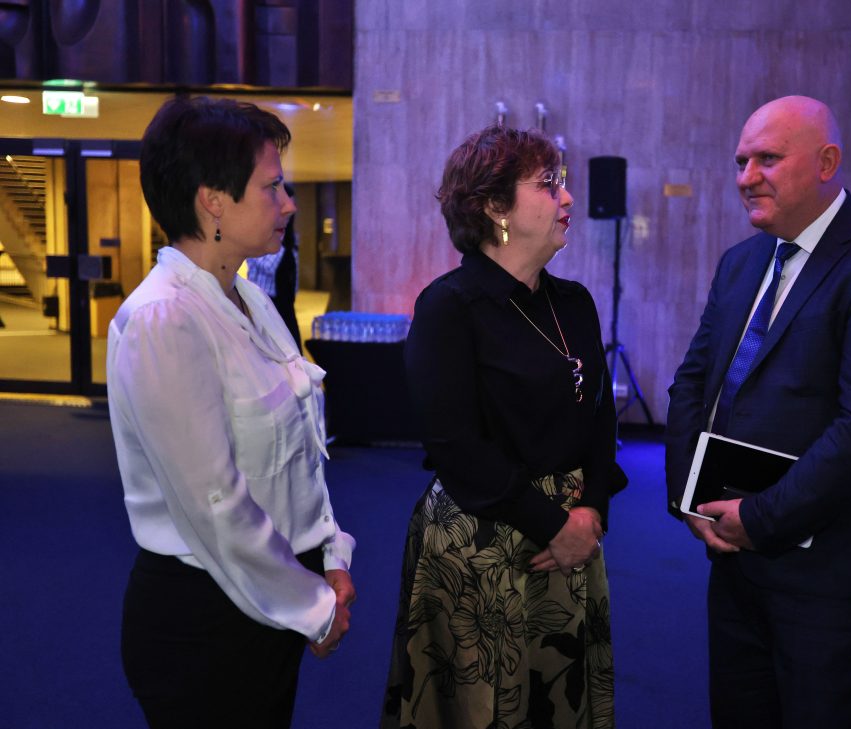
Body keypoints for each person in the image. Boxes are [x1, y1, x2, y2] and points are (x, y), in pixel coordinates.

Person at [665, 95, 851, 729]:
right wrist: (690, 501)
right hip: (734, 556)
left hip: (831, 576)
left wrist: (760, 518)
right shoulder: (741, 263)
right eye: (740, 162)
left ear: (827, 162)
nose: (746, 176)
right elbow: (692, 384)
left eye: (767, 158)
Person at [107, 96, 356, 728]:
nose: (289, 203)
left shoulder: (247, 297)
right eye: (273, 186)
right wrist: (313, 606)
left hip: (271, 593)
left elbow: (299, 455)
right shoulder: (165, 319)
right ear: (212, 201)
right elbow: (216, 504)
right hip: (206, 623)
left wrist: (330, 553)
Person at [380, 125, 627, 729]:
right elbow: (456, 447)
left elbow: (600, 418)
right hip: (483, 543)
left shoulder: (574, 302)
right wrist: (555, 526)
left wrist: (592, 511)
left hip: (573, 537)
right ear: (495, 207)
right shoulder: (449, 305)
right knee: (484, 708)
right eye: (549, 184)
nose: (568, 197)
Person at [246, 182, 302, 348]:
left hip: (285, 310)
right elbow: (267, 267)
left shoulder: (289, 242)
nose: (290, 210)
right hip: (263, 307)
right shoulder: (262, 240)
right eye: (284, 204)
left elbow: (293, 283)